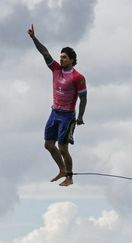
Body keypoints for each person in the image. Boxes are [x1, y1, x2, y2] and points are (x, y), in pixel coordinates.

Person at [27, 24, 87, 186]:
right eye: (60, 57)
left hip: (67, 116)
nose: (61, 59)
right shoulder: (55, 69)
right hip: (54, 113)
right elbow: (45, 52)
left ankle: (69, 177)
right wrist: (34, 38)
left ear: (72, 60)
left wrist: (80, 117)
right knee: (48, 144)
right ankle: (61, 170)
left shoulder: (78, 77)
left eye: (65, 57)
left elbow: (84, 98)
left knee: (62, 148)